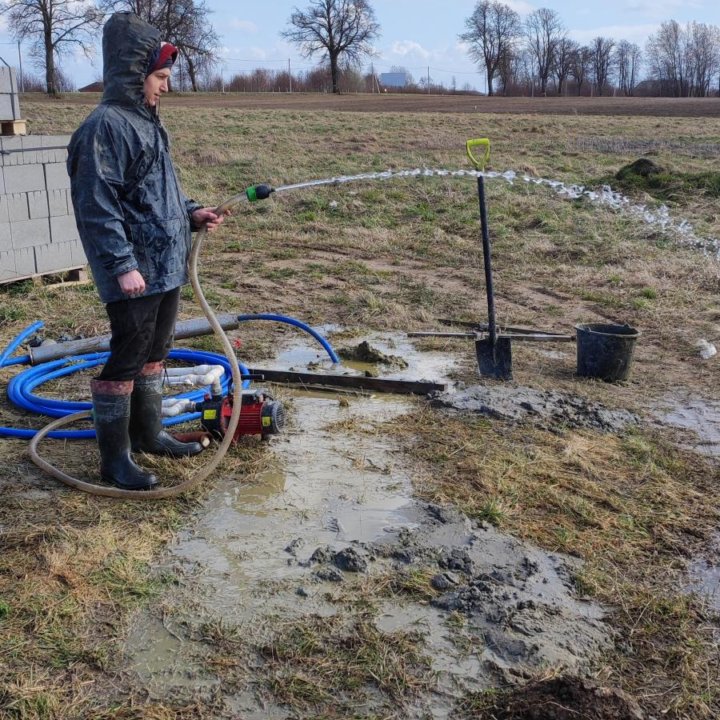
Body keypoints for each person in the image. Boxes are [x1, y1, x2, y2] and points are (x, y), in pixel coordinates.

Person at [67, 12, 225, 491]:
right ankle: (115, 461)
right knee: (127, 357)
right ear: (134, 75)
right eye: (160, 77)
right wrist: (121, 265)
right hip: (134, 271)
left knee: (156, 351)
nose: (166, 87)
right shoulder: (104, 128)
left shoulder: (147, 122)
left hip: (166, 266)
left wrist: (192, 212)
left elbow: (158, 191)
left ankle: (149, 433)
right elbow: (97, 208)